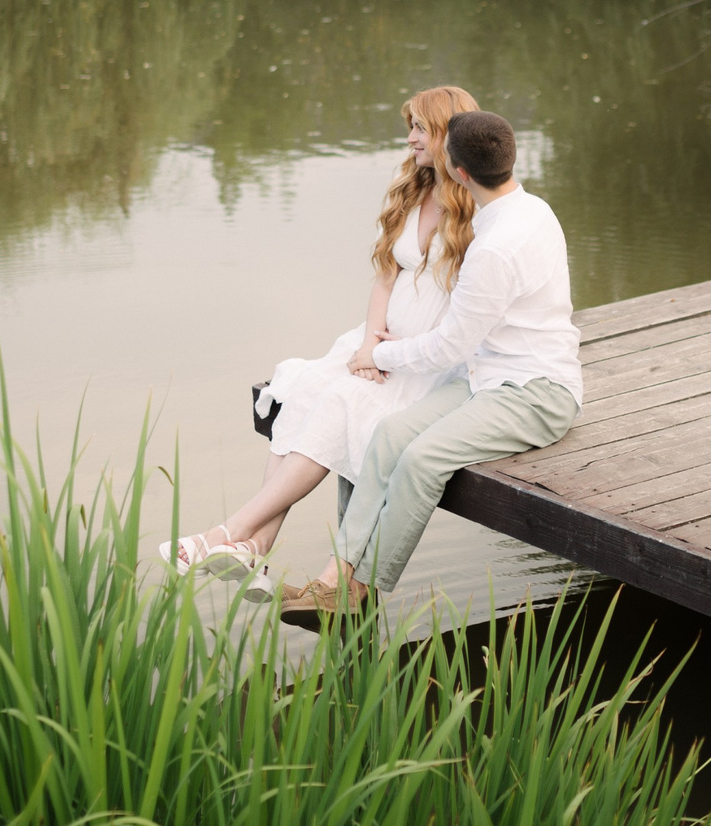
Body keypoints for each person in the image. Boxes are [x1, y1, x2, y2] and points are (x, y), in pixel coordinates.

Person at [158, 86, 480, 600]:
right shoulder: (414, 189)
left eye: (420, 127)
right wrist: (370, 342)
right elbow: (384, 277)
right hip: (377, 340)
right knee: (301, 388)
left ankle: (228, 535)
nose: (411, 137)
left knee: (340, 404)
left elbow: (471, 314)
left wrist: (391, 355)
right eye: (410, 127)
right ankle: (255, 546)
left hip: (426, 359)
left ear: (447, 132)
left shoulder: (476, 207)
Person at [277, 108, 582, 625]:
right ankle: (336, 581)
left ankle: (363, 595)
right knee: (388, 435)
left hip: (536, 392)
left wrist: (378, 353)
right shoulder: (530, 209)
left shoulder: (496, 247)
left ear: (458, 173)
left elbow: (447, 347)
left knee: (421, 460)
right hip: (484, 377)